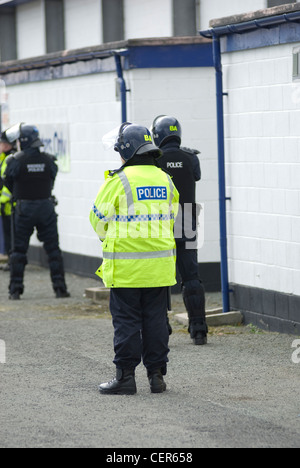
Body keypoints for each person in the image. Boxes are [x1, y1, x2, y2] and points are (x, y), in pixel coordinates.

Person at [89, 122, 179, 395]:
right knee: (156, 321)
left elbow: (97, 220)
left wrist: (112, 236)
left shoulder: (118, 181)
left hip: (126, 270)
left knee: (127, 322)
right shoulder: (165, 179)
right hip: (160, 268)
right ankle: (157, 377)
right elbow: (172, 215)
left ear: (126, 151)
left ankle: (125, 377)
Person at [151, 115, 208, 345]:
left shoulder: (154, 160)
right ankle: (199, 330)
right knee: (191, 278)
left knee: (160, 279)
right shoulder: (191, 157)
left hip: (163, 223)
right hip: (188, 222)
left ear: (157, 135)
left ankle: (161, 328)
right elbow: (196, 175)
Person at [3, 122, 70, 300]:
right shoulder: (49, 160)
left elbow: (8, 183)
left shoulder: (14, 161)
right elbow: (51, 179)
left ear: (23, 141)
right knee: (53, 250)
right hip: (45, 207)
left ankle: (15, 290)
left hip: (24, 208)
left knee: (18, 251)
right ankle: (60, 289)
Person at [0, 131, 15, 260]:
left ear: (5, 145)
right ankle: (11, 261)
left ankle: (12, 262)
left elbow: (7, 183)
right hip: (6, 205)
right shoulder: (5, 158)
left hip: (8, 205)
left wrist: (2, 200)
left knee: (11, 236)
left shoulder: (9, 160)